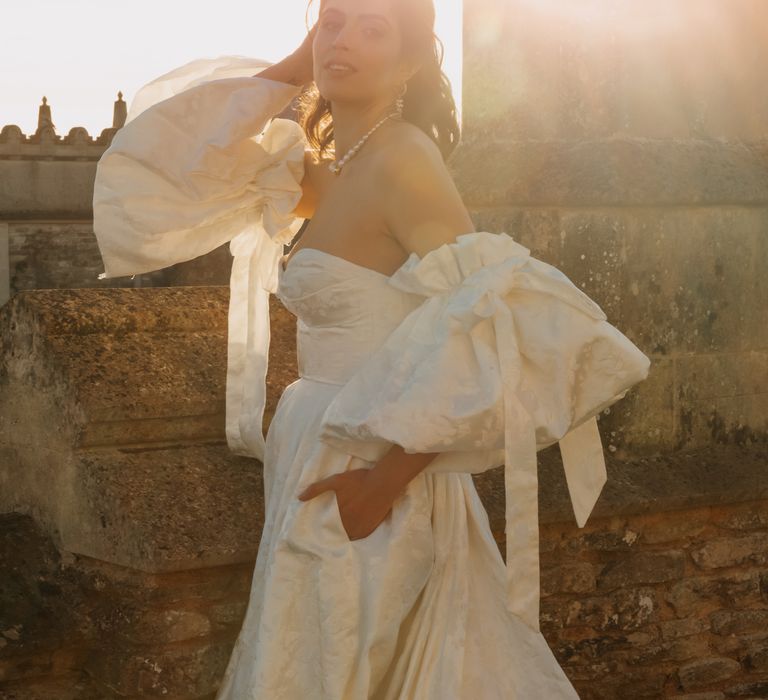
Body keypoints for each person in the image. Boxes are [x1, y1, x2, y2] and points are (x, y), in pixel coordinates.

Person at [92, 0, 651, 697]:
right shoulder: (329, 171)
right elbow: (161, 171)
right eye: (333, 19)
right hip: (312, 455)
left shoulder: (403, 161)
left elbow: (497, 324)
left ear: (410, 61)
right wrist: (301, 66)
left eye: (372, 27)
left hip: (374, 478)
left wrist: (381, 485)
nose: (345, 38)